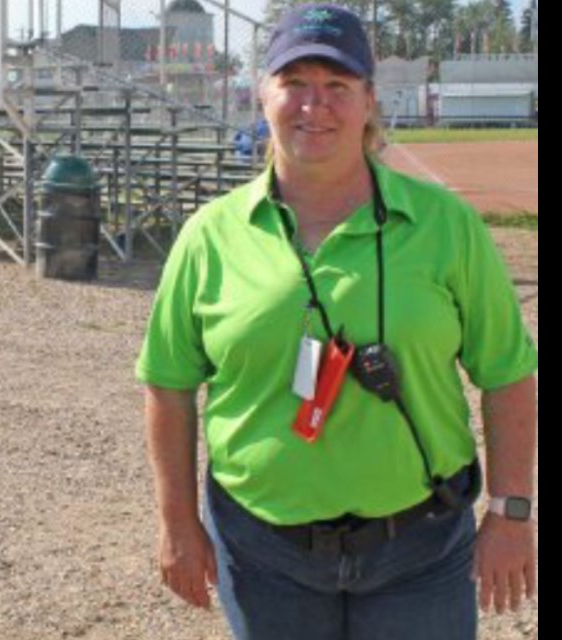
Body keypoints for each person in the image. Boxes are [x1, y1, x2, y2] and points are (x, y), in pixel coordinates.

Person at [136, 4, 537, 639]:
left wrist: (512, 512)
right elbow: (168, 383)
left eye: (337, 86)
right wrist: (177, 522)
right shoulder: (209, 236)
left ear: (370, 101)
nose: (313, 106)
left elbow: (509, 373)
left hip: (422, 550)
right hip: (263, 552)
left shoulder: (444, 225)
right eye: (294, 83)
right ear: (262, 93)